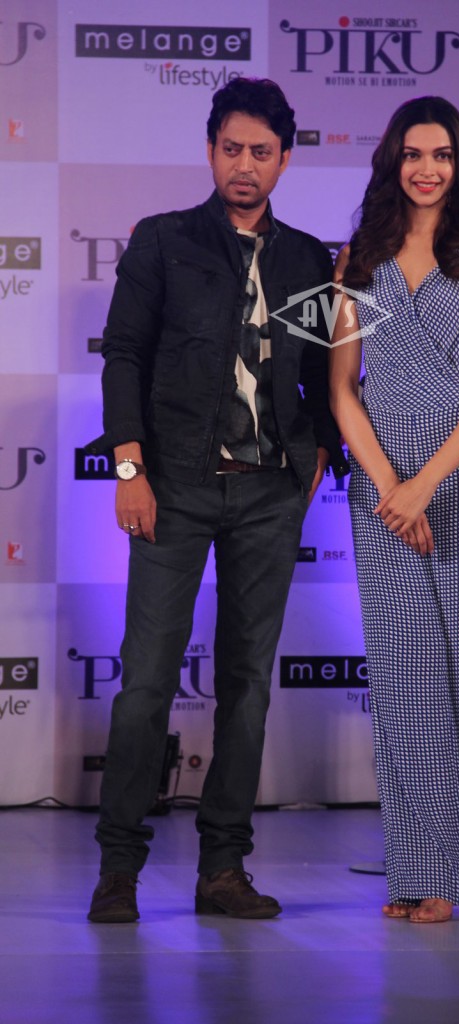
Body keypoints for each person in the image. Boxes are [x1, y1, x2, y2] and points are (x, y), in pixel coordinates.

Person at [85, 77, 347, 923]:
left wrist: (319, 456)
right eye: (231, 149)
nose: (244, 165)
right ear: (209, 151)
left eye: (261, 152)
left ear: (285, 160)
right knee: (146, 683)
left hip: (270, 495)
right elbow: (123, 354)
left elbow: (326, 375)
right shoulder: (162, 240)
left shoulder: (308, 258)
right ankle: (118, 870)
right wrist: (130, 470)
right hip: (174, 487)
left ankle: (223, 870)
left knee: (247, 684)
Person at [329, 97, 459, 923]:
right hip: (381, 482)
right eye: (413, 154)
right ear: (392, 162)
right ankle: (410, 868)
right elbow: (342, 389)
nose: (427, 169)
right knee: (403, 679)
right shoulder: (360, 256)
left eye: (441, 155)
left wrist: (423, 486)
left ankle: (449, 877)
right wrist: (388, 486)